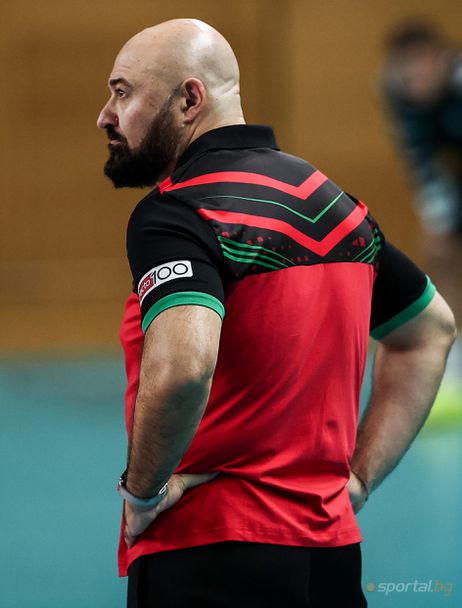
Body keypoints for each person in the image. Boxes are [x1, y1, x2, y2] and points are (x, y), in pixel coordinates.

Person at [97, 19, 456, 607]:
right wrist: (359, 479)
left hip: (207, 554)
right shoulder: (334, 206)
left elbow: (185, 367)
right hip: (331, 556)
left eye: (123, 92)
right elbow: (431, 330)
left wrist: (141, 494)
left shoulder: (177, 214)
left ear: (190, 99)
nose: (105, 116)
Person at [380, 19, 462, 236]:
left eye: (420, 59)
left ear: (442, 58)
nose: (414, 72)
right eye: (404, 62)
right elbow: (418, 159)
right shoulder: (398, 93)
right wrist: (439, 219)